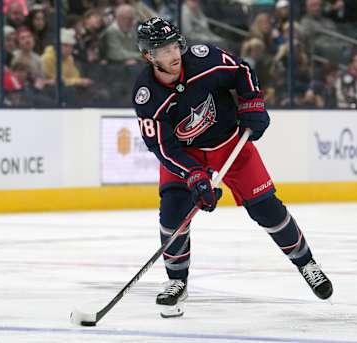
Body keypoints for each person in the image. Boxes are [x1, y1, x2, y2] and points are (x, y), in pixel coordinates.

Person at [132, 17, 333, 318]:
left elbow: (242, 71)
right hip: (186, 155)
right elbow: (162, 147)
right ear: (149, 56)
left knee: (267, 209)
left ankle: (307, 263)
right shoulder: (146, 95)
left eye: (175, 45)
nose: (173, 54)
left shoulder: (205, 60)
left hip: (229, 143)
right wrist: (194, 176)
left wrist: (252, 103)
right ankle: (176, 281)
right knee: (173, 215)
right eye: (163, 50)